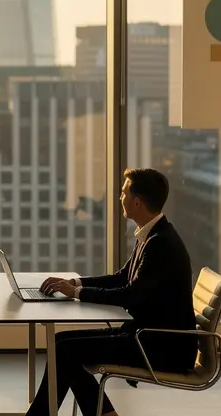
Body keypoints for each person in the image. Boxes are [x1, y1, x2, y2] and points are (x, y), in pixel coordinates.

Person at [29, 168, 197, 416]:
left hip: (158, 345)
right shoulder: (152, 235)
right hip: (148, 336)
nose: (120, 198)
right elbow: (121, 277)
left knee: (64, 351)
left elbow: (130, 295)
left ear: (137, 201)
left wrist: (78, 293)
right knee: (60, 343)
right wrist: (75, 283)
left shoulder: (160, 244)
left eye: (123, 193)